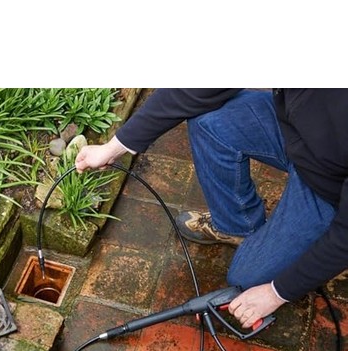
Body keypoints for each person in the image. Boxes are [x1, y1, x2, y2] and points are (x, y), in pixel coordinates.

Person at [75, 89, 348, 329]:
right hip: (295, 130)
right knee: (210, 123)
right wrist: (114, 147)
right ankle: (237, 227)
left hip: (327, 186)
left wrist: (276, 293)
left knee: (245, 279)